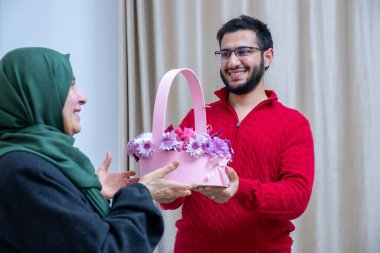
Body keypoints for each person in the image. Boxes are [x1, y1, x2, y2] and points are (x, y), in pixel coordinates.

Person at [0, 47, 195, 253]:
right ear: (38, 93)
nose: (82, 97)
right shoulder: (21, 171)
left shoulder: (35, 162)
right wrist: (141, 193)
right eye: (70, 85)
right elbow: (107, 248)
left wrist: (86, 195)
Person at [160, 15, 315, 252]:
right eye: (225, 54)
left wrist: (239, 188)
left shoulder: (293, 123)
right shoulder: (198, 115)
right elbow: (175, 197)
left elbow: (296, 198)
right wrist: (164, 189)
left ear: (268, 56)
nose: (232, 62)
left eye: (243, 51)